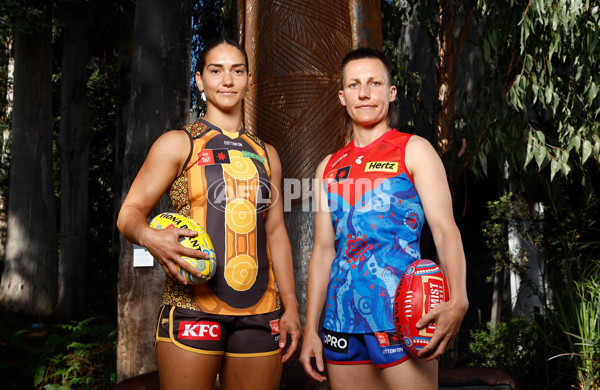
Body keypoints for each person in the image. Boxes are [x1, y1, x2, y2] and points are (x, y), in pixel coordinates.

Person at [117, 38, 302, 390]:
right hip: (192, 309)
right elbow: (130, 213)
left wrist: (290, 305)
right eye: (216, 71)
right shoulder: (178, 143)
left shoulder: (267, 154)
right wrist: (150, 237)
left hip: (261, 314)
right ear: (200, 80)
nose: (227, 80)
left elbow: (276, 231)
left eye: (237, 71)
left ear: (248, 80)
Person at [299, 47, 469, 389]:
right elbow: (323, 251)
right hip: (341, 324)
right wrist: (310, 331)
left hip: (404, 319)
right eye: (354, 85)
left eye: (374, 83)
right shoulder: (328, 167)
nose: (364, 93)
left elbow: (444, 230)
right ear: (342, 97)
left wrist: (459, 299)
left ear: (391, 94)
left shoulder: (414, 150)